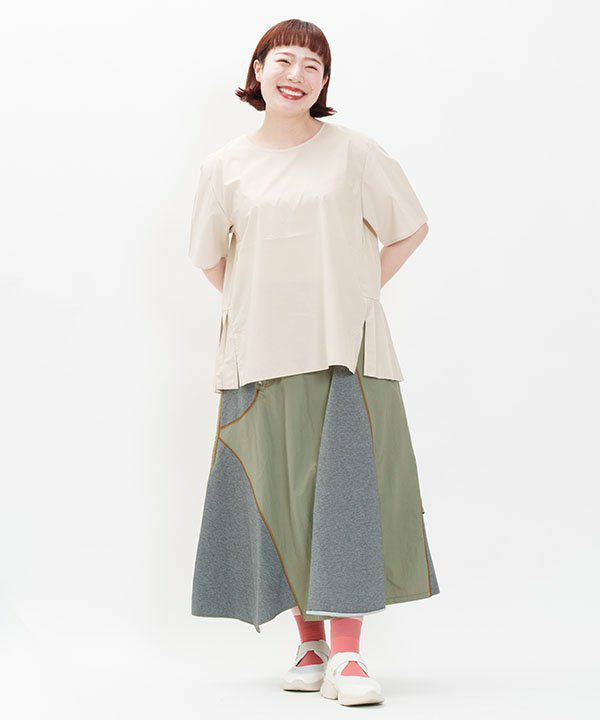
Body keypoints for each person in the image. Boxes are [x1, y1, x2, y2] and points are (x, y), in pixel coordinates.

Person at [188, 18, 440, 707]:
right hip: (260, 356)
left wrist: (355, 293)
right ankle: (310, 643)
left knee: (346, 497)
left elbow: (411, 226)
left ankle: (349, 656)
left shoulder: (354, 153)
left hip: (343, 352)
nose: (295, 75)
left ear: (324, 82)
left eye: (312, 65)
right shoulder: (225, 166)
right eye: (283, 60)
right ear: (258, 69)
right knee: (284, 494)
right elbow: (210, 258)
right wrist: (261, 305)